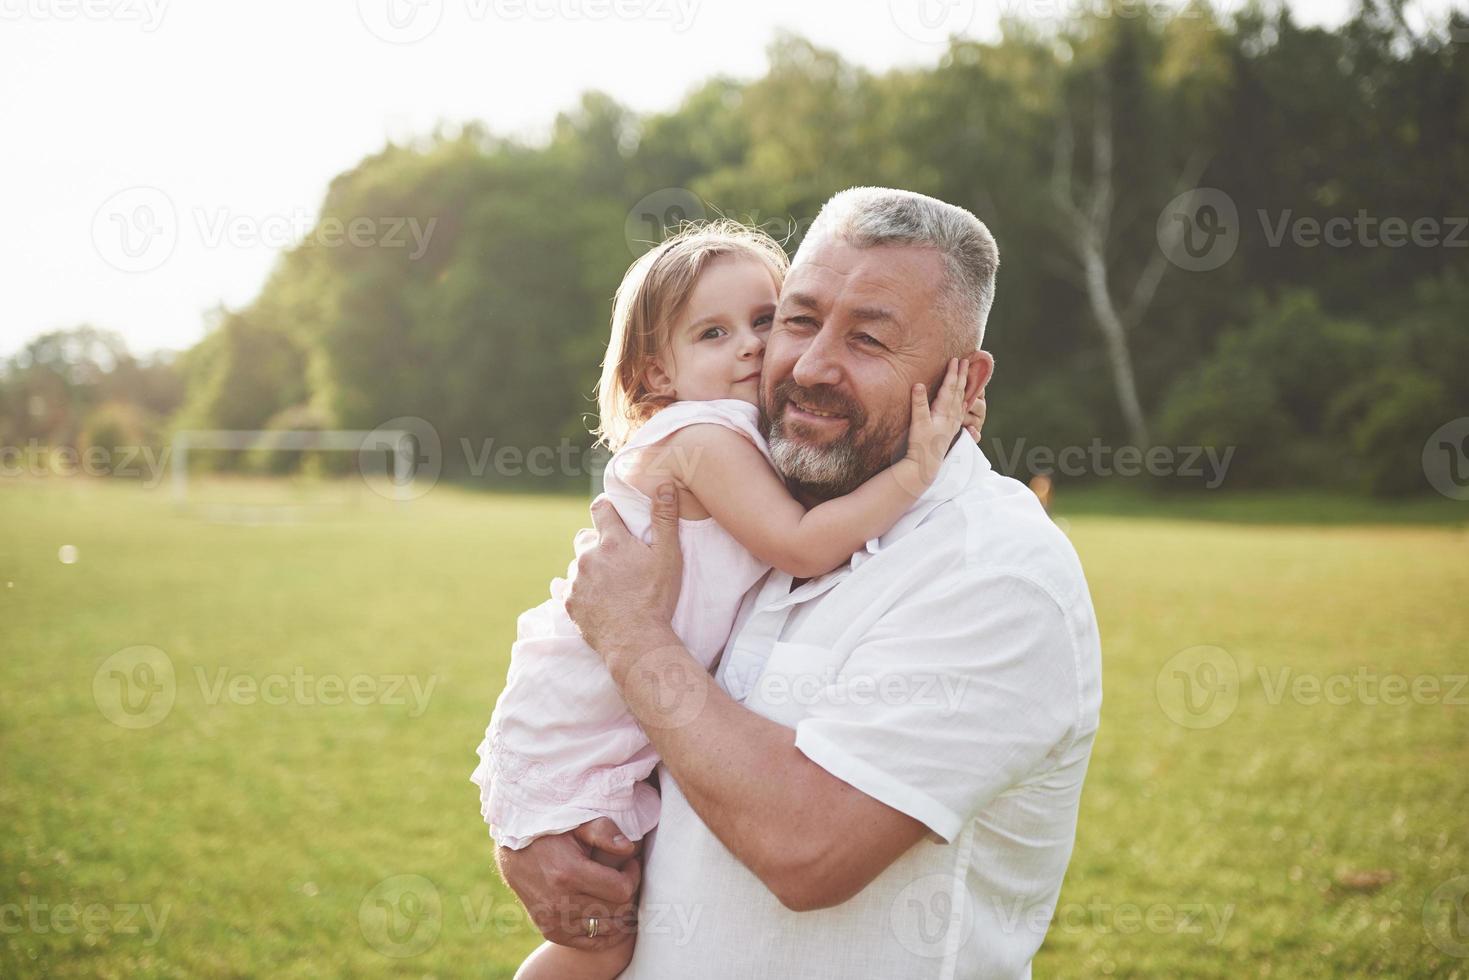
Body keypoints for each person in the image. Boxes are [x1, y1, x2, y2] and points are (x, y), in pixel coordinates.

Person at [500, 186, 1102, 979]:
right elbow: (654, 731)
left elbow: (807, 851)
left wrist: (629, 635)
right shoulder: (766, 514)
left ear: (966, 377)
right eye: (798, 318)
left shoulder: (994, 571)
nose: (811, 365)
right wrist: (546, 838)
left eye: (868, 340)